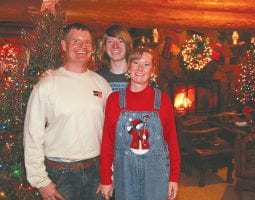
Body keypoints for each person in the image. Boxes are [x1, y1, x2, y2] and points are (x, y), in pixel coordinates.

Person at [23, 22, 112, 200]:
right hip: (60, 174)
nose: (82, 47)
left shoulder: (101, 83)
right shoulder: (47, 85)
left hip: (97, 171)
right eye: (76, 41)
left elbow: (111, 130)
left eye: (87, 42)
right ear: (64, 45)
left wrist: (110, 172)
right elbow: (33, 134)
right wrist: (41, 181)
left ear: (92, 48)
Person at [97, 47, 180, 200]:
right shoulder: (114, 100)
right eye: (136, 62)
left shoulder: (163, 100)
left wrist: (173, 177)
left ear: (153, 71)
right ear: (129, 67)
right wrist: (106, 179)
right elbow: (107, 143)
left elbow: (172, 142)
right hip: (125, 174)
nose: (140, 68)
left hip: (157, 175)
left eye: (146, 64)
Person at [97, 25, 133, 91]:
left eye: (120, 41)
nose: (115, 46)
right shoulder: (97, 78)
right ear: (105, 47)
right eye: (110, 41)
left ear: (127, 45)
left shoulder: (138, 75)